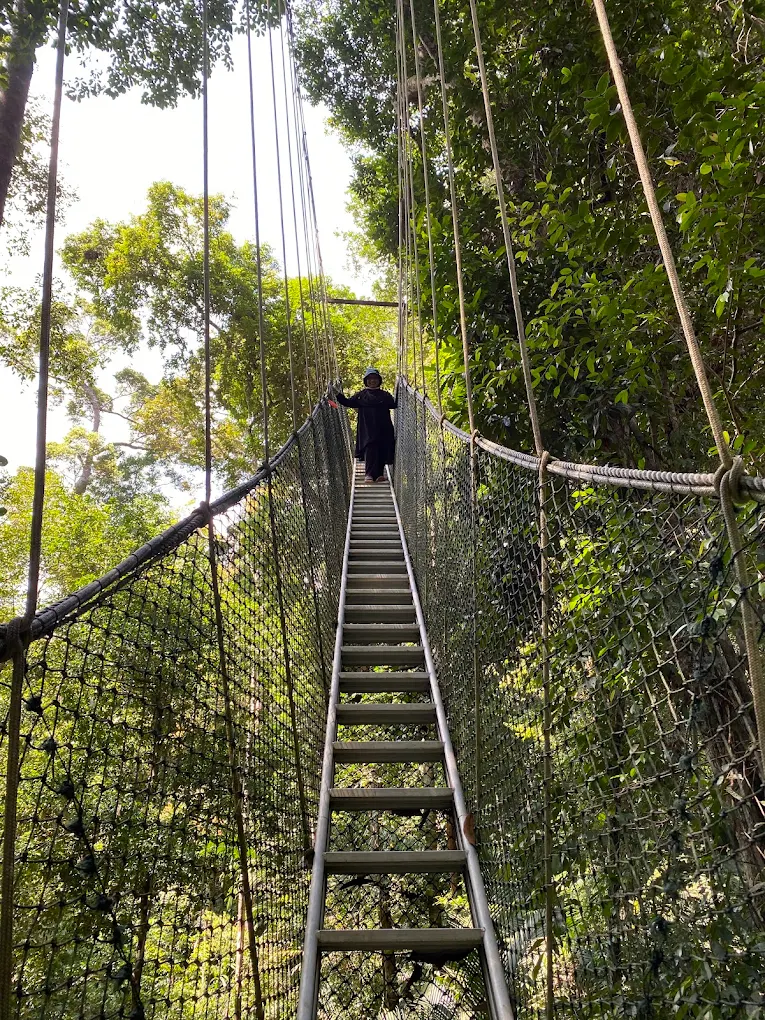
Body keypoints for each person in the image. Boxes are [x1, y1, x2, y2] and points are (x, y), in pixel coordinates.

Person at [334, 368, 397, 483]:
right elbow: (348, 402)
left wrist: (400, 391)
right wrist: (337, 395)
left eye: (375, 379)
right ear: (366, 381)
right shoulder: (361, 395)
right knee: (370, 448)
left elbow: (394, 405)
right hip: (367, 428)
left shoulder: (385, 395)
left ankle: (379, 475)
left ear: (379, 381)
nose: (372, 381)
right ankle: (369, 474)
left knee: (381, 448)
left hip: (383, 427)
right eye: (370, 379)